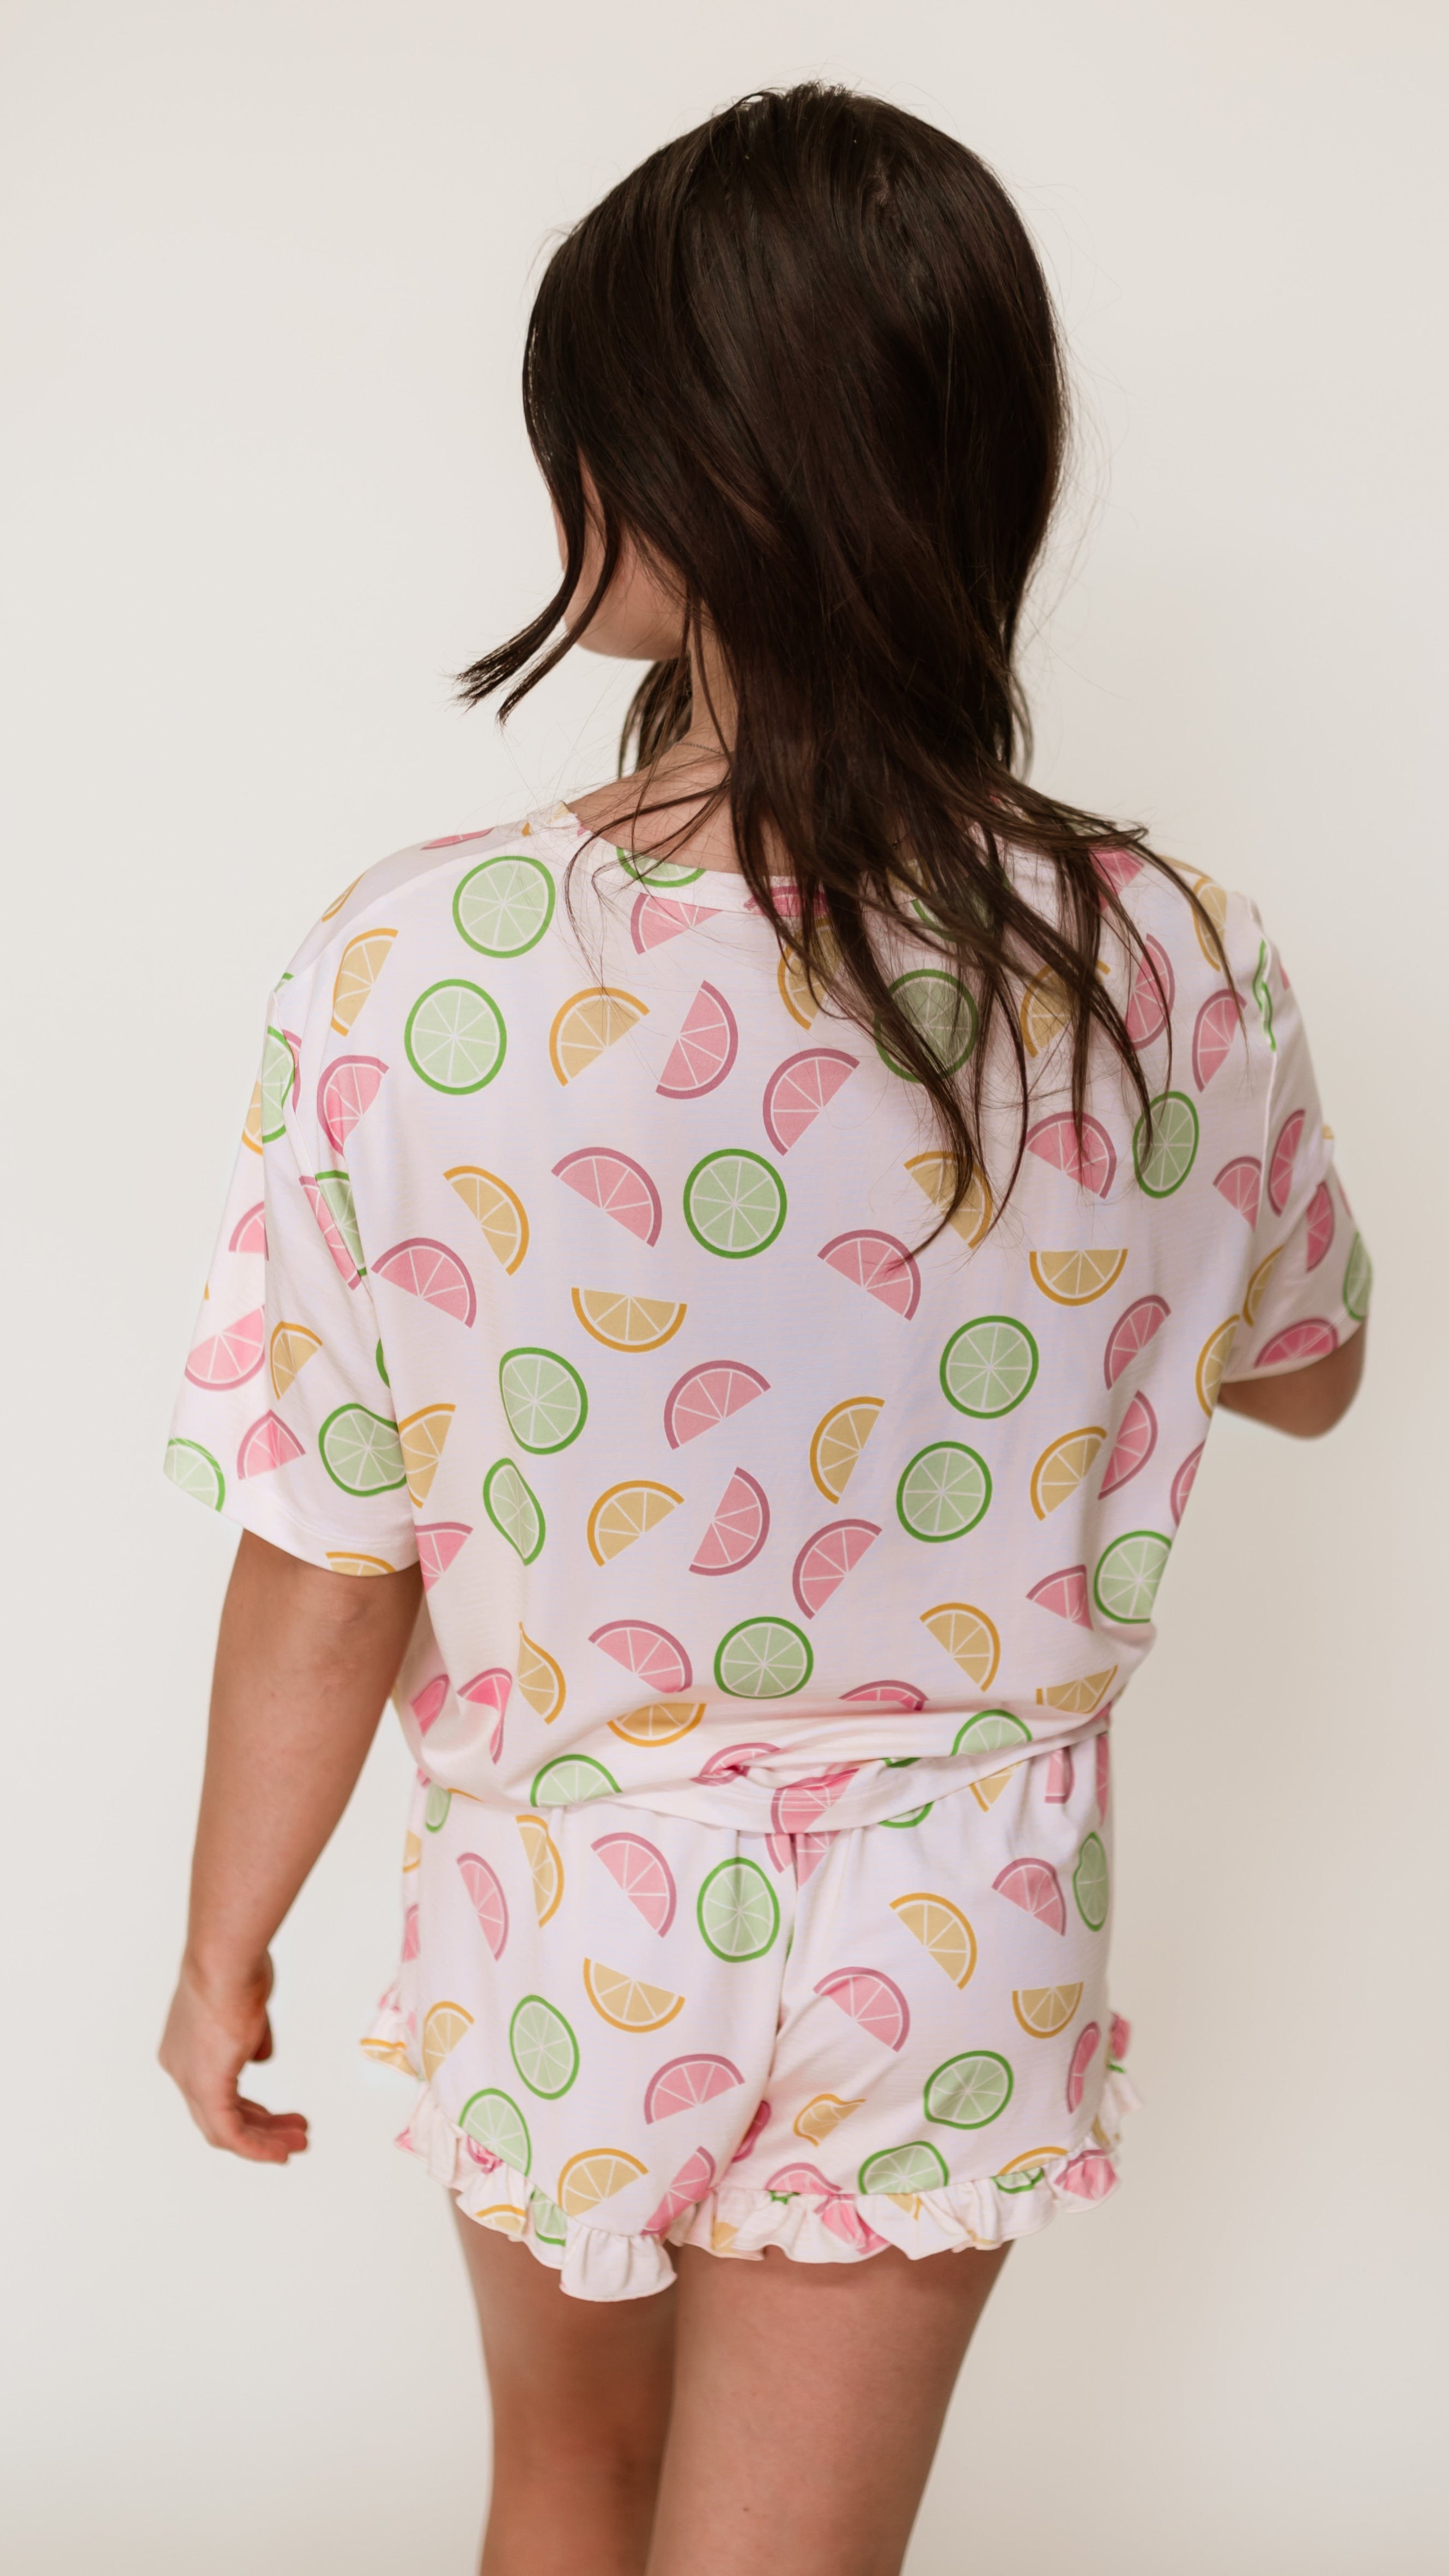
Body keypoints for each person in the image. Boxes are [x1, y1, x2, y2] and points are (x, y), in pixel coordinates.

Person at [158, 82, 1369, 2576]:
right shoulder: (1165, 956)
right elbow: (1306, 1368)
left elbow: (330, 1547)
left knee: (564, 2485)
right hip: (960, 1904)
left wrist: (220, 1941)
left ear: (691, 468)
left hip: (573, 1894)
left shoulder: (418, 965)